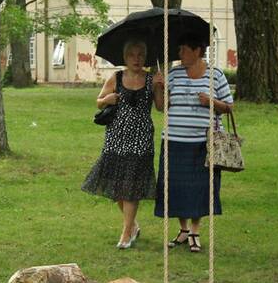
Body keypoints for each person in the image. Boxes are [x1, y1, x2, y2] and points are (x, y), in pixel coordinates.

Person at [153, 35, 233, 254]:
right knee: (176, 188)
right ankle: (183, 229)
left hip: (202, 144)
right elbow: (161, 107)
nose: (180, 54)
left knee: (200, 188)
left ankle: (195, 231)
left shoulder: (215, 75)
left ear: (198, 50)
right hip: (174, 141)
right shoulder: (174, 74)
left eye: (184, 49)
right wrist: (158, 88)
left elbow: (228, 106)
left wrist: (211, 102)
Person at [82, 39, 157, 248]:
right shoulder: (116, 77)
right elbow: (98, 100)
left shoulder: (152, 79)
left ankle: (126, 233)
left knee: (131, 184)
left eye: (140, 55)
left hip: (141, 137)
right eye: (132, 55)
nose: (136, 59)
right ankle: (132, 225)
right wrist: (107, 100)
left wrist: (160, 87)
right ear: (125, 58)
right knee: (115, 183)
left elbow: (161, 107)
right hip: (116, 135)